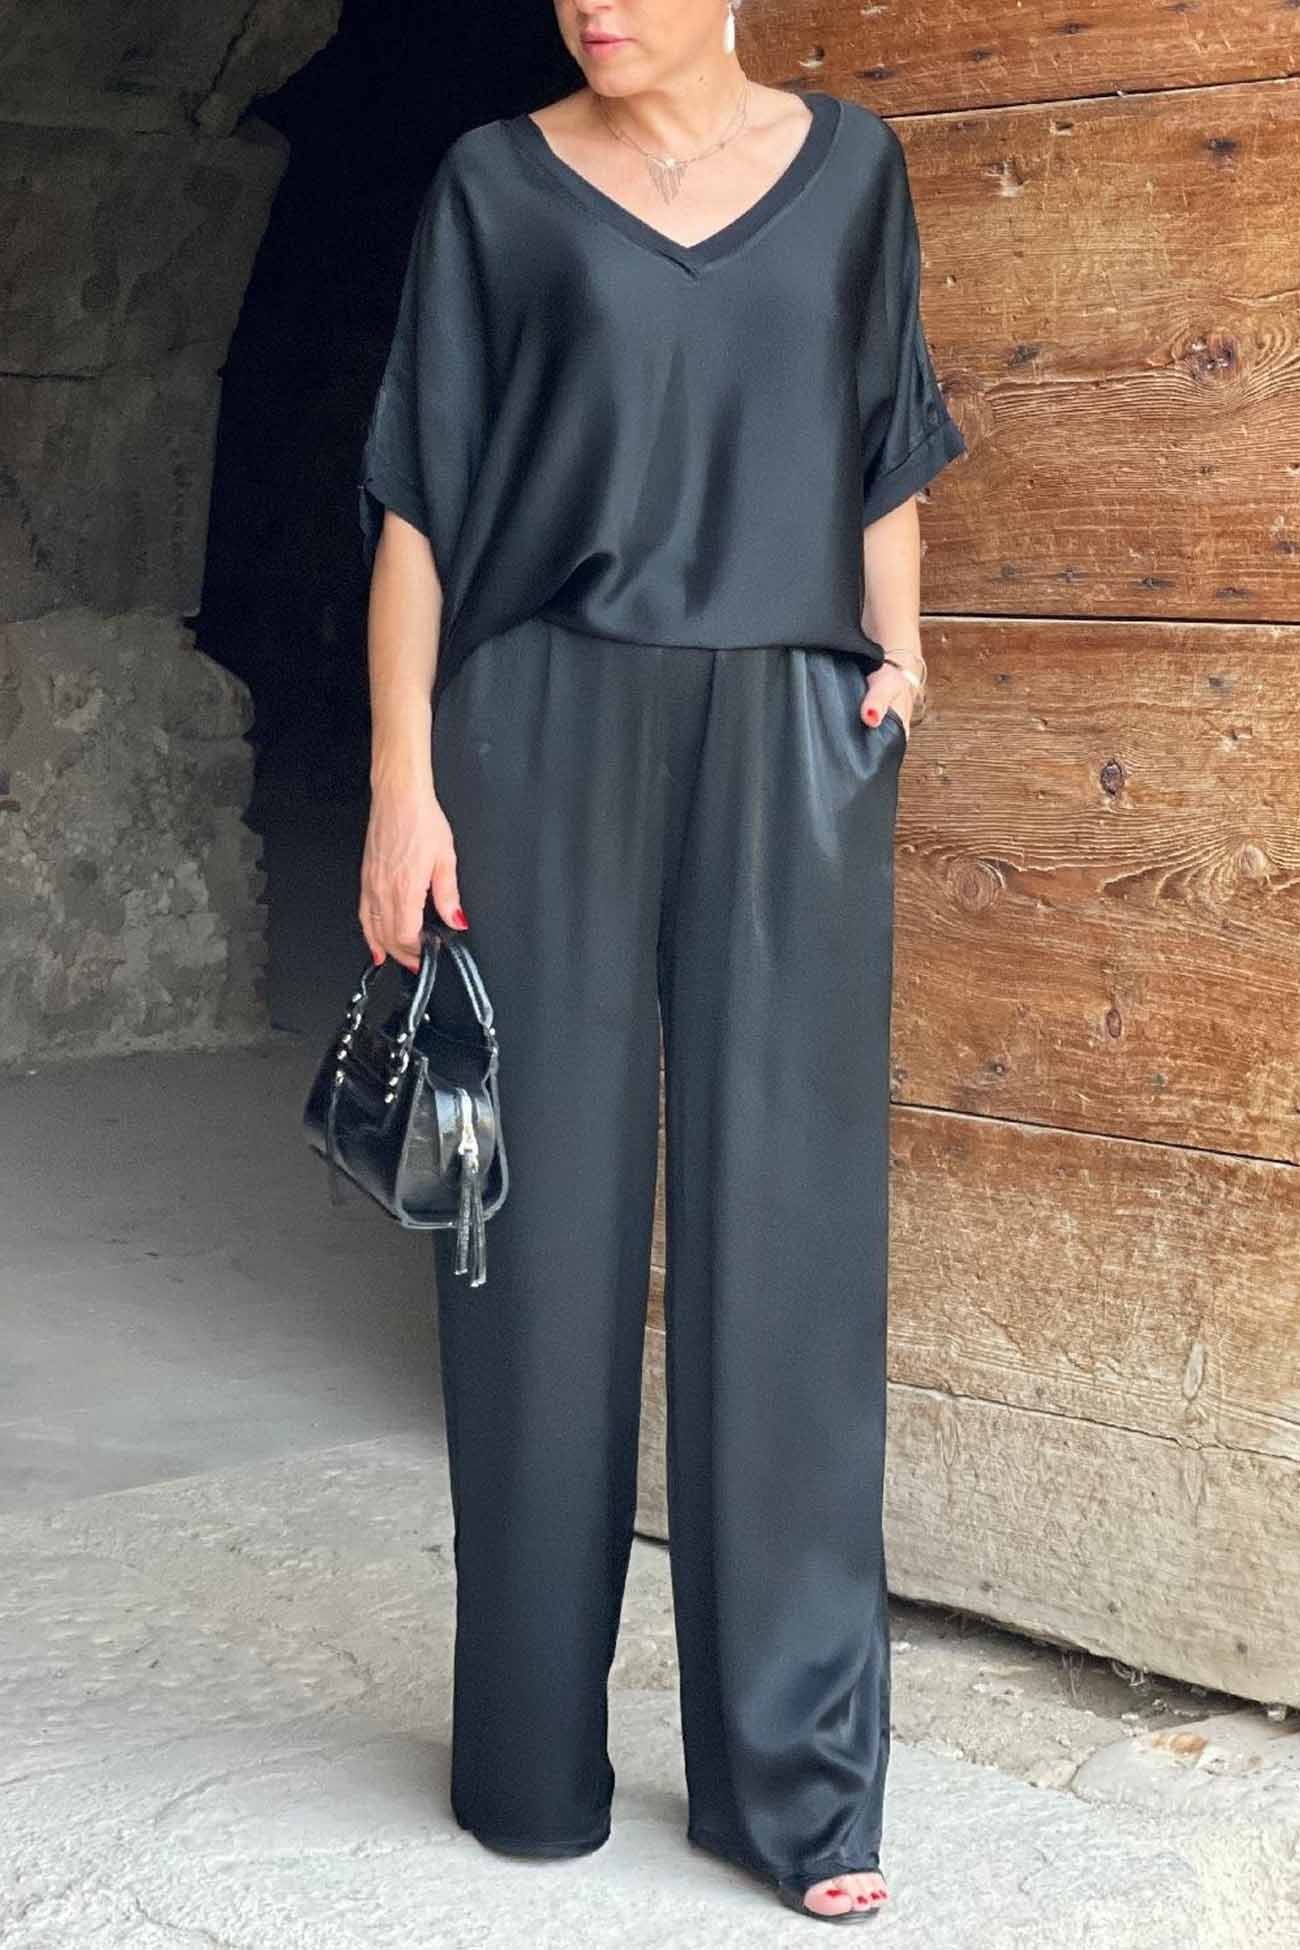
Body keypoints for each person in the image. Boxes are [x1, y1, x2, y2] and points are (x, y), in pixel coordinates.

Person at [356, 0, 966, 1925]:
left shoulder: (853, 172)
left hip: (789, 718)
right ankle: (530, 1759)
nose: (594, 4)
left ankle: (799, 1788)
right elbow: (420, 497)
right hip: (536, 721)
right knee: (533, 1235)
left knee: (791, 1232)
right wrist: (399, 783)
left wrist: (900, 652)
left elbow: (883, 435)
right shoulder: (495, 187)